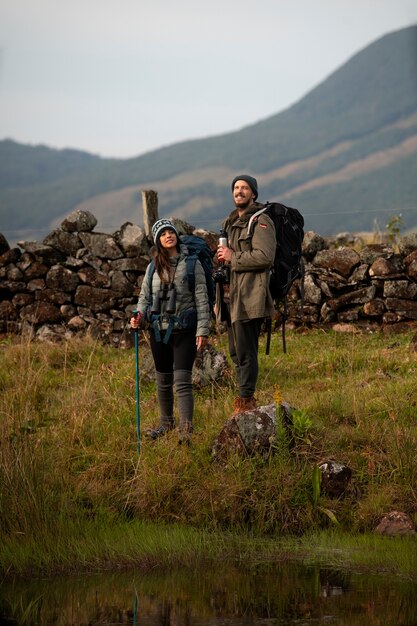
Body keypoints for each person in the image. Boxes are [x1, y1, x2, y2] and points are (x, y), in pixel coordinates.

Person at [130, 218, 210, 444]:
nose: (168, 235)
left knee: (182, 381)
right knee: (163, 380)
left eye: (170, 232)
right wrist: (138, 317)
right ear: (158, 240)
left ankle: (186, 431)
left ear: (176, 235)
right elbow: (144, 298)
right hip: (158, 330)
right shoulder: (152, 266)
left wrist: (202, 330)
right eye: (163, 233)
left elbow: (202, 299)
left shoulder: (193, 264)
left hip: (185, 330)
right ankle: (166, 424)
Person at [216, 175, 276, 414]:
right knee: (234, 351)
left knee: (246, 350)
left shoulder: (261, 221)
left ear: (254, 194)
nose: (239, 191)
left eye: (245, 188)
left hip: (250, 295)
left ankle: (245, 401)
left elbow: (265, 256)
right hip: (231, 296)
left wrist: (233, 258)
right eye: (236, 187)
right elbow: (227, 257)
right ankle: (244, 397)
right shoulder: (230, 222)